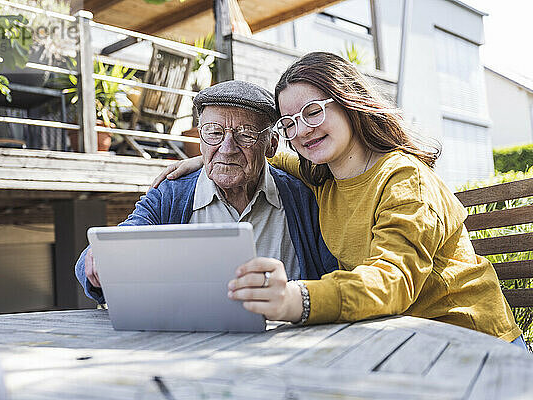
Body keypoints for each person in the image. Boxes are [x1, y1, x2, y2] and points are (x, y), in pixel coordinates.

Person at [154, 52, 525, 346]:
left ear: (348, 101)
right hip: (397, 342)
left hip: (470, 344)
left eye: (313, 111)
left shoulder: (404, 179)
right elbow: (266, 156)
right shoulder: (323, 178)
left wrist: (296, 298)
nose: (303, 130)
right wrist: (212, 156)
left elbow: (391, 280)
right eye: (290, 123)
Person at [75, 80, 338, 304]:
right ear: (200, 138)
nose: (227, 148)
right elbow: (122, 239)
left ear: (271, 145)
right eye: (213, 133)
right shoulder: (172, 193)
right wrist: (99, 256)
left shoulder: (303, 196)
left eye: (245, 135)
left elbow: (334, 275)